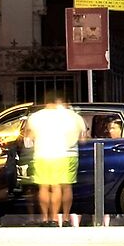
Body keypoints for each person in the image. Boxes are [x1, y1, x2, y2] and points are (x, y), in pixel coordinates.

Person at [25, 92, 85, 227]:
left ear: (45, 101)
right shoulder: (68, 116)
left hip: (41, 154)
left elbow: (28, 138)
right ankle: (61, 218)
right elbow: (82, 138)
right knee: (60, 186)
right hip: (61, 154)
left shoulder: (35, 117)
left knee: (44, 187)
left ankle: (47, 218)